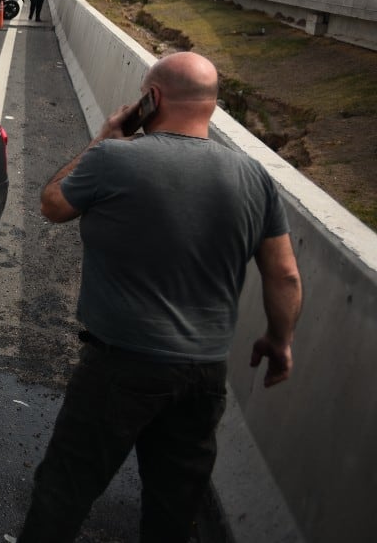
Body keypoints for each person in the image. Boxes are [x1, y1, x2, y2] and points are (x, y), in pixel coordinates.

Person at [18, 51, 302, 543]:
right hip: (203, 375)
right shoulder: (254, 178)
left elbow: (52, 203)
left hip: (119, 367)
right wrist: (280, 341)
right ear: (211, 104)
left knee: (63, 493)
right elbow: (285, 277)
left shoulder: (113, 160)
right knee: (173, 511)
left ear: (150, 99)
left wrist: (106, 135)